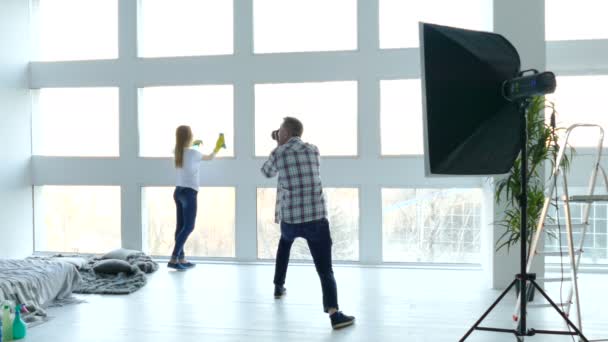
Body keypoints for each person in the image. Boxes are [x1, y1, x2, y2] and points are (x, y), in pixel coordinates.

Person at [261, 117, 355, 329]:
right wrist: (282, 143)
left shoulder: (279, 153)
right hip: (316, 219)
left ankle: (278, 286)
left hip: (291, 220)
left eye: (281, 130)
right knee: (325, 269)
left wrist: (277, 146)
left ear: (286, 133)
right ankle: (334, 314)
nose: (278, 133)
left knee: (284, 244)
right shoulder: (313, 150)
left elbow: (266, 172)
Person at [168, 125, 224, 270]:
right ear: (189, 137)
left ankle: (181, 257)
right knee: (189, 227)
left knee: (180, 227)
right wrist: (217, 147)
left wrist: (193, 145)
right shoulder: (194, 153)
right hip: (189, 193)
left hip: (178, 192)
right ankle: (174, 258)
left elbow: (187, 153)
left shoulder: (177, 152)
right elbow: (210, 157)